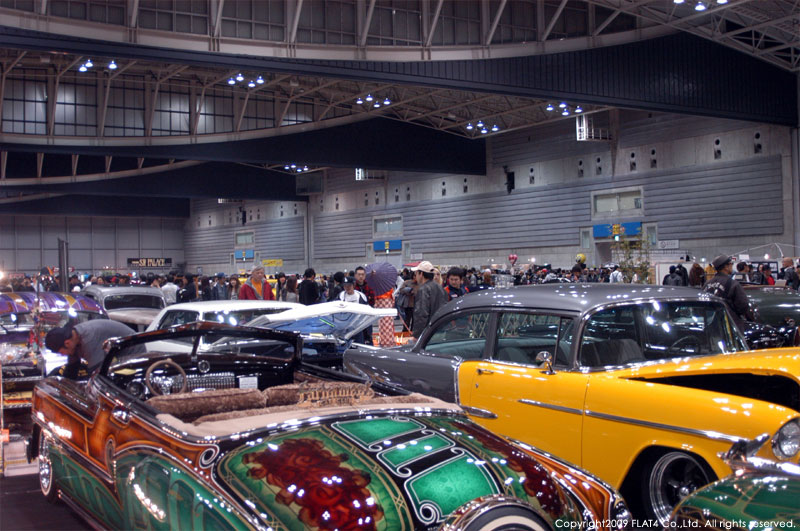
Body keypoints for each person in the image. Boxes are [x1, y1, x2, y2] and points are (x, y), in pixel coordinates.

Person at [44, 320, 145, 378]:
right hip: (115, 354)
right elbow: (72, 367)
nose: (63, 355)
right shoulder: (74, 337)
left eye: (61, 352)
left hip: (133, 353)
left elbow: (96, 375)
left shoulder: (88, 340)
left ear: (67, 343)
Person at [703, 255, 754, 324]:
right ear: (726, 267)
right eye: (731, 264)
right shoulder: (733, 284)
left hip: (711, 323)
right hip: (729, 324)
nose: (732, 266)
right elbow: (743, 306)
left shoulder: (707, 284)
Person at [411, 261, 446, 340]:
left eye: (416, 273)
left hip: (428, 333)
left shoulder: (423, 289)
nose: (415, 276)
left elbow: (421, 313)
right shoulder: (440, 288)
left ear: (421, 274)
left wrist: (417, 335)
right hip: (441, 329)